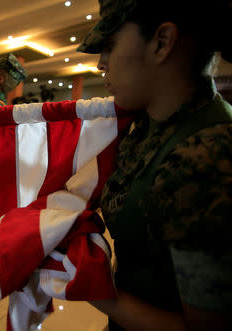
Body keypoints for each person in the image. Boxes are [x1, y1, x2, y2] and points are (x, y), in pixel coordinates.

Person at [76, 0, 232, 330]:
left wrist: (91, 285)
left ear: (161, 42)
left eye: (110, 45)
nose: (102, 64)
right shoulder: (151, 123)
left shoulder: (206, 156)